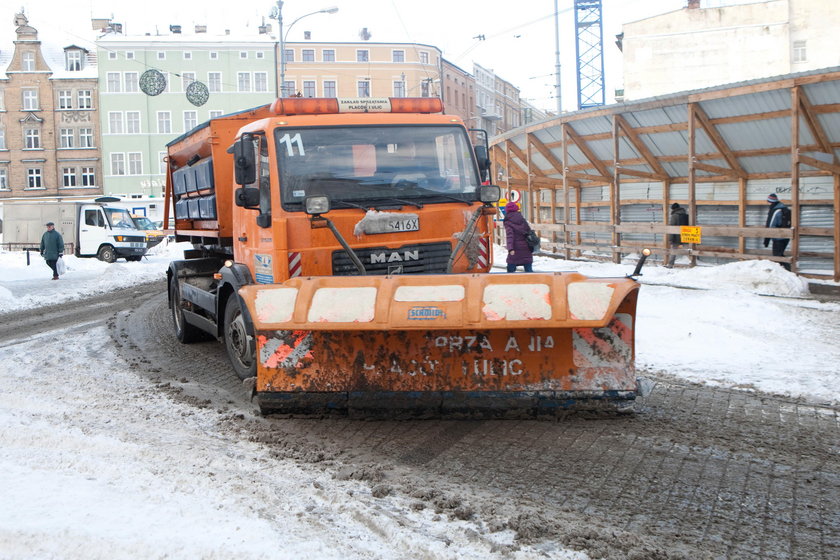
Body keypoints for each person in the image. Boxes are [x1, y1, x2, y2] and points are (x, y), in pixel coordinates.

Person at [503, 201, 533, 273]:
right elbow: (528, 231)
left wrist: (510, 249)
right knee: (528, 267)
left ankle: (511, 282)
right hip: (526, 247)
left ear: (507, 210)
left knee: (511, 267)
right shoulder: (522, 219)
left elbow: (510, 236)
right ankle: (532, 282)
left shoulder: (508, 221)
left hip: (515, 248)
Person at [764, 193, 791, 271]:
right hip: (786, 236)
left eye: (768, 201)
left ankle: (788, 271)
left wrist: (767, 238)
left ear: (770, 201)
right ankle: (787, 272)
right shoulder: (784, 208)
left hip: (778, 237)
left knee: (777, 257)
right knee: (780, 255)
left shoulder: (776, 210)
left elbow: (771, 225)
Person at [665, 202, 688, 268]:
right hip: (686, 235)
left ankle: (670, 265)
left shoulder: (674, 216)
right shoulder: (685, 214)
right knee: (689, 249)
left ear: (673, 209)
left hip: (676, 237)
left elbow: (672, 228)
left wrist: (671, 239)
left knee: (674, 250)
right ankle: (692, 262)